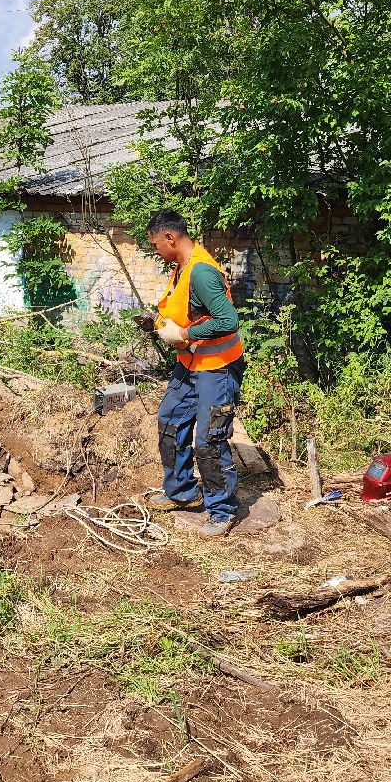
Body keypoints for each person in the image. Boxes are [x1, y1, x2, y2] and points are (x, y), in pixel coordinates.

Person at [135, 209, 245, 537]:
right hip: (190, 364)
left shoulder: (201, 272)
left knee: (209, 439)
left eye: (156, 244)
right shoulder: (181, 267)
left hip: (217, 368)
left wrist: (184, 335)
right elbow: (188, 312)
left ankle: (222, 510)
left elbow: (228, 321)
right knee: (170, 420)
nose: (156, 250)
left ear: (170, 238)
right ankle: (182, 492)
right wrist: (159, 325)